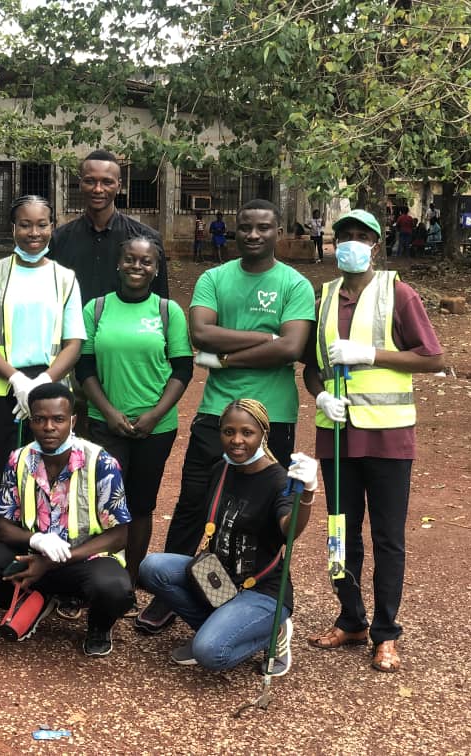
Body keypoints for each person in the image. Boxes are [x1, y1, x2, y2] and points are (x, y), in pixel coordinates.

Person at [135, 199, 315, 635]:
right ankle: (174, 596)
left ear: (277, 232)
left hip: (274, 417)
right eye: (246, 226)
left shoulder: (295, 284)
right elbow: (201, 333)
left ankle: (261, 603)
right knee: (193, 504)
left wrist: (228, 359)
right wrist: (265, 338)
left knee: (264, 512)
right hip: (216, 412)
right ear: (236, 230)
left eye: (263, 227)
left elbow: (292, 347)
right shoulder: (214, 278)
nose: (253, 234)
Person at [303, 209, 444, 674]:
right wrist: (320, 395)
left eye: (361, 236)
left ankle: (385, 632)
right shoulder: (323, 298)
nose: (351, 243)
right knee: (340, 532)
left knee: (387, 538)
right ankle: (351, 618)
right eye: (344, 235)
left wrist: (370, 353)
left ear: (376, 246)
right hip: (337, 436)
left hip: (387, 436)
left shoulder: (398, 293)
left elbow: (432, 357)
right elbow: (312, 367)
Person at [0, 382, 134, 656]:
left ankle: (99, 625)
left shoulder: (101, 462)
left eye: (58, 419)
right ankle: (34, 600)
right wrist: (36, 540)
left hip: (84, 560)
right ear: (30, 422)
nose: (49, 427)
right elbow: (2, 528)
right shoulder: (18, 460)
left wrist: (55, 561)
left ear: (72, 421)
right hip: (31, 557)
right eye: (40, 419)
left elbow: (118, 536)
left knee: (115, 590)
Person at [138, 399, 317, 674]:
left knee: (211, 653)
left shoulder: (279, 480)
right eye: (228, 432)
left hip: (260, 589)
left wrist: (307, 493)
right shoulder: (221, 470)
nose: (237, 440)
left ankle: (274, 631)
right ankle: (219, 627)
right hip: (218, 578)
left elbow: (288, 530)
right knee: (152, 568)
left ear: (263, 434)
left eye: (247, 432)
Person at [77, 237, 193, 612]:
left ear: (156, 269)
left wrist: (155, 415)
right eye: (130, 259)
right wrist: (109, 412)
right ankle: (97, 579)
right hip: (104, 423)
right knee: (103, 504)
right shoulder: (96, 309)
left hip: (155, 427)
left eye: (146, 261)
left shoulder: (168, 311)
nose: (137, 267)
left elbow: (182, 368)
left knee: (141, 504)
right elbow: (85, 367)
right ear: (119, 263)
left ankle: (128, 581)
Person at [0, 195, 86, 543]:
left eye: (42, 225)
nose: (34, 232)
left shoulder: (65, 279)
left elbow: (73, 343)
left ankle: (45, 560)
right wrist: (17, 379)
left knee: (49, 477)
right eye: (25, 225)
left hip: (50, 392)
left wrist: (41, 383)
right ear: (13, 227)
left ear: (52, 227)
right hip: (0, 390)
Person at [50, 149, 168, 303]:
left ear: (119, 186)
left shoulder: (147, 239)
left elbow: (160, 302)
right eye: (90, 181)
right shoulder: (58, 240)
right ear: (80, 184)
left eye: (107, 182)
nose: (98, 189)